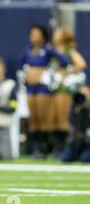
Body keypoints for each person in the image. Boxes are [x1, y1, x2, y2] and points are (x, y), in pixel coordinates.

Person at [20, 25, 69, 158]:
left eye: (36, 34)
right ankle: (36, 148)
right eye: (32, 34)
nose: (33, 36)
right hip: (31, 87)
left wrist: (48, 71)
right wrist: (27, 75)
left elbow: (64, 61)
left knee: (43, 118)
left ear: (42, 35)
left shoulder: (47, 50)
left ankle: (45, 148)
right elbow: (21, 65)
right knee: (33, 118)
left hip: (42, 86)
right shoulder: (28, 50)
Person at [50, 27, 87, 156]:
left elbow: (81, 64)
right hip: (52, 87)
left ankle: (67, 146)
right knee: (53, 119)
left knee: (64, 118)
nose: (55, 35)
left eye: (58, 33)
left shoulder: (69, 51)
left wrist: (66, 72)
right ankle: (56, 146)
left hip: (64, 88)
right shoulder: (52, 50)